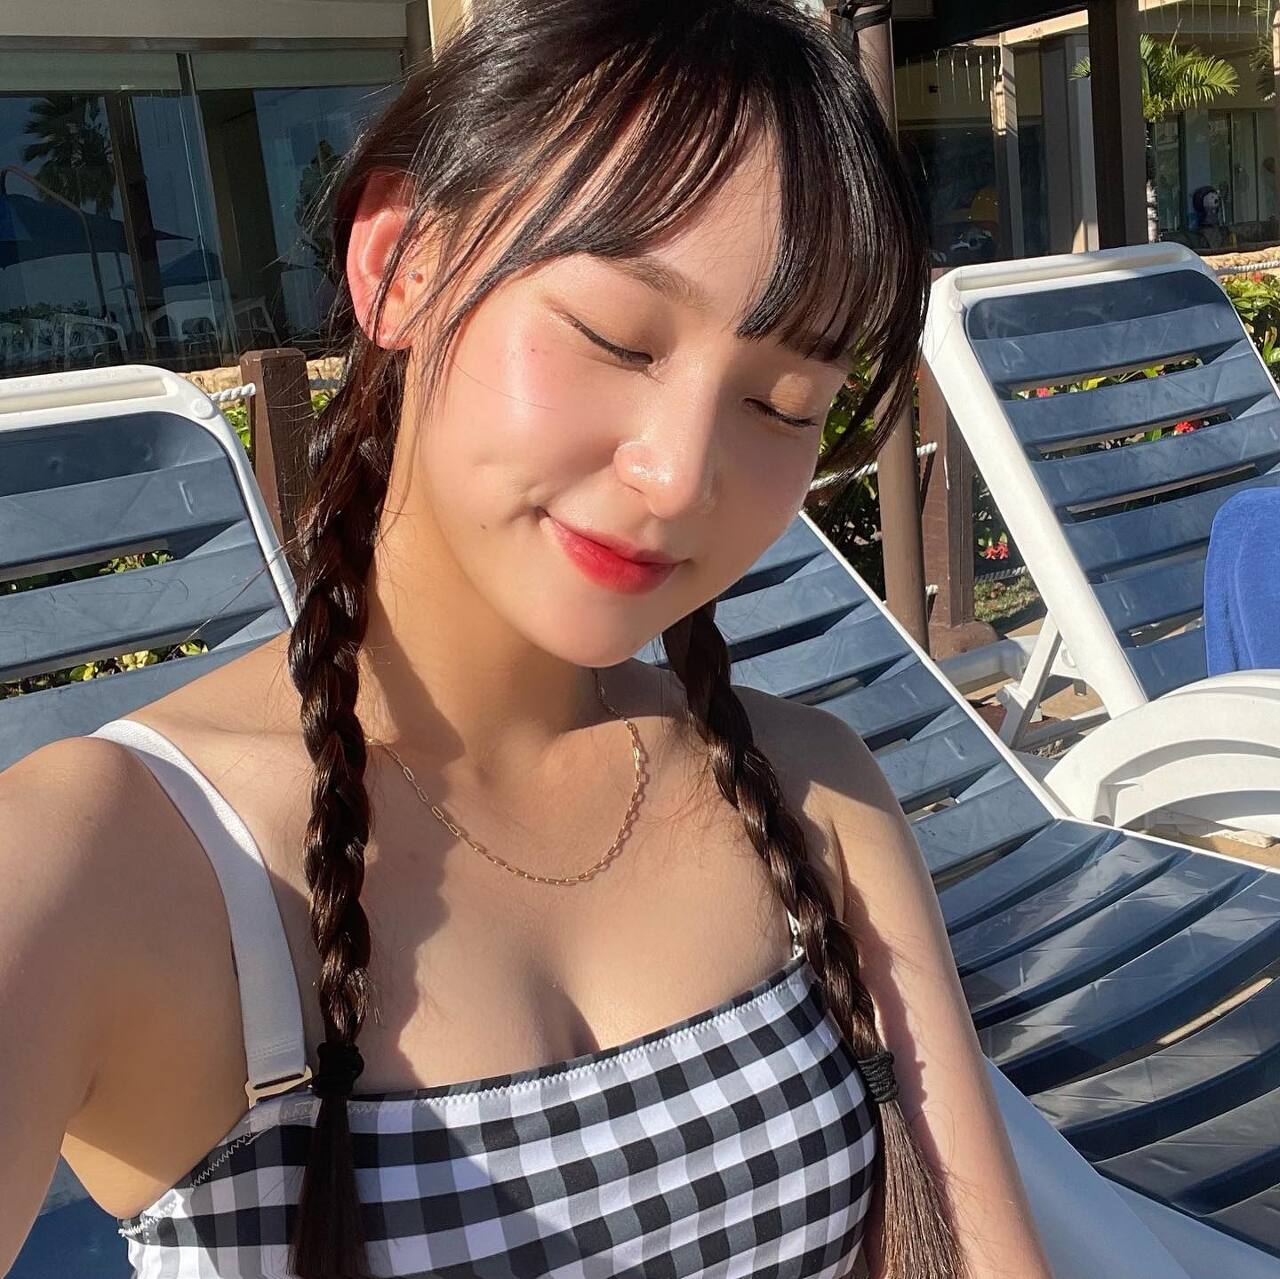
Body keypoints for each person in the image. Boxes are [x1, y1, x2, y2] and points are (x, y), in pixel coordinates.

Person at [0, 3, 1054, 1277]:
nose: (677, 476)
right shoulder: (111, 860)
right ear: (401, 264)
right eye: (617, 338)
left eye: (783, 404)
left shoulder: (811, 792)